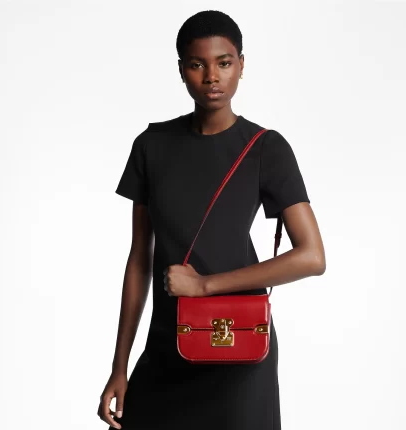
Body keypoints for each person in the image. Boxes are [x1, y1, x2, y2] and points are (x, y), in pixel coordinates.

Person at [97, 9, 326, 430]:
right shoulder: (151, 145)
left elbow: (312, 257)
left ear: (242, 65)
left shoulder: (265, 148)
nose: (212, 77)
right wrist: (120, 366)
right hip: (167, 347)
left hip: (237, 345)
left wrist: (204, 286)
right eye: (197, 64)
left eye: (224, 63)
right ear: (181, 70)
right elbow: (139, 260)